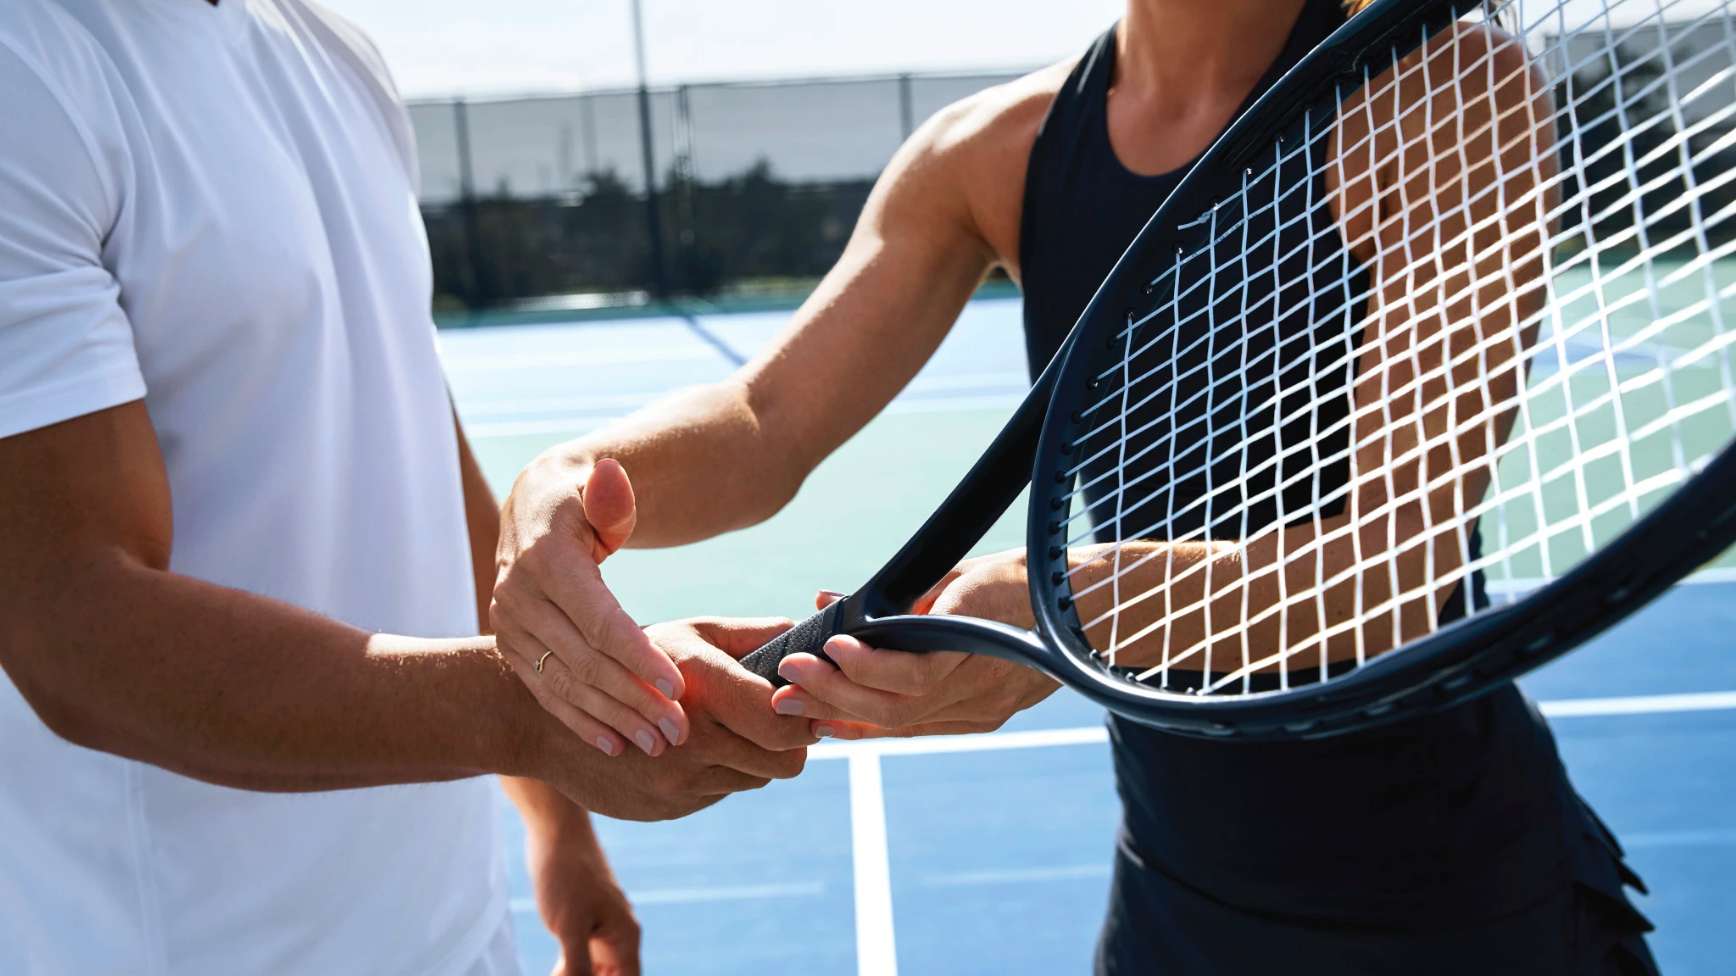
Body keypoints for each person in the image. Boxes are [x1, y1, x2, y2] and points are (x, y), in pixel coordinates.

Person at [491, 0, 1662, 972]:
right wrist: (567, 481)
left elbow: (1387, 574)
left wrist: (1034, 610)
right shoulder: (988, 152)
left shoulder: (1438, 92)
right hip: (1174, 900)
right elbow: (763, 422)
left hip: (1458, 909)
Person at [0, 1, 811, 974]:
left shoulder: (328, 50)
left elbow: (422, 464)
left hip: (455, 937)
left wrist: (557, 824)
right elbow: (75, 624)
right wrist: (536, 714)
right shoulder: (28, 69)